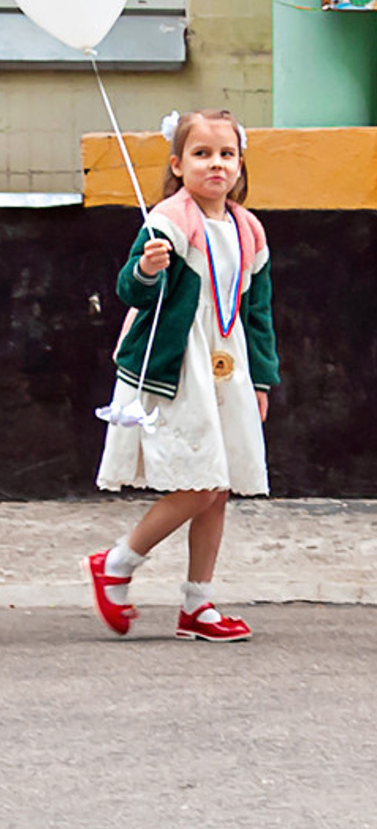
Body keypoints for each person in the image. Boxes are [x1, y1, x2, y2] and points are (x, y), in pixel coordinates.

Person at [84, 109, 276, 642]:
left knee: (220, 489)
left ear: (239, 164)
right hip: (179, 361)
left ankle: (198, 603)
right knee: (201, 480)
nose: (215, 164)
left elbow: (257, 309)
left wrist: (260, 378)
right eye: (201, 153)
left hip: (226, 358)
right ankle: (117, 563)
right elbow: (133, 292)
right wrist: (147, 268)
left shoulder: (248, 227)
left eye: (226, 154)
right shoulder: (167, 220)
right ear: (177, 163)